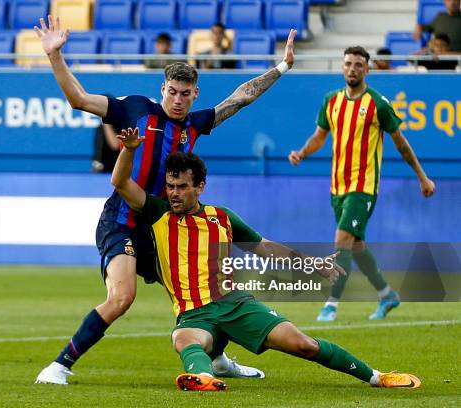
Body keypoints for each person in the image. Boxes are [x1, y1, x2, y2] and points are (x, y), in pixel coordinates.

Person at [33, 15, 296, 384]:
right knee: (122, 297)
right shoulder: (137, 110)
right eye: (172, 91)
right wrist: (55, 55)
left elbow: (241, 97)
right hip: (123, 220)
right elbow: (78, 99)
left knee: (204, 291)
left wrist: (282, 67)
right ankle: (59, 365)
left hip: (162, 228)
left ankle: (218, 359)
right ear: (163, 89)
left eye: (185, 94)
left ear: (195, 95)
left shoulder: (196, 123)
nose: (177, 99)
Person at [112, 129, 422, 391]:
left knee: (304, 345)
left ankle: (377, 377)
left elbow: (265, 248)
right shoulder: (159, 214)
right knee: (183, 339)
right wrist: (128, 150)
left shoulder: (222, 218)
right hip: (194, 315)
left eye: (182, 187)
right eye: (170, 186)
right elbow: (121, 182)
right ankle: (204, 378)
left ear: (200, 187)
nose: (174, 193)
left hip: (234, 306)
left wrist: (312, 264)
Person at [288, 46, 436, 322]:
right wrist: (302, 152)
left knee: (341, 240)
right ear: (342, 67)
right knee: (355, 246)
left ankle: (331, 304)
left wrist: (422, 176)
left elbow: (401, 143)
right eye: (348, 63)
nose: (352, 68)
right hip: (338, 187)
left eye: (358, 64)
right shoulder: (331, 101)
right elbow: (320, 136)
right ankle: (387, 294)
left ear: (367, 69)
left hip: (363, 186)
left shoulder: (378, 104)